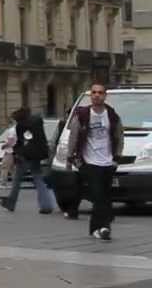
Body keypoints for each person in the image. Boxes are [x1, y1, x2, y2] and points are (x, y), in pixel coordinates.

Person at [66, 83, 123, 240]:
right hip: (89, 162)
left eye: (100, 93)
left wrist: (116, 158)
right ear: (91, 96)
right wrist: (70, 160)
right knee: (98, 195)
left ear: (105, 96)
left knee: (104, 196)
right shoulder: (82, 114)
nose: (97, 95)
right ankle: (104, 227)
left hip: (107, 162)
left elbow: (119, 136)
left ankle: (95, 228)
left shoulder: (111, 115)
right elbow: (73, 137)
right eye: (94, 92)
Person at [0, 108, 56, 214]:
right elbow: (40, 139)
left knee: (17, 179)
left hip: (26, 155)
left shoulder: (21, 126)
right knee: (38, 179)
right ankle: (46, 205)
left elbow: (22, 142)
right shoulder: (37, 123)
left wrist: (17, 150)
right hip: (38, 154)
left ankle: (11, 202)